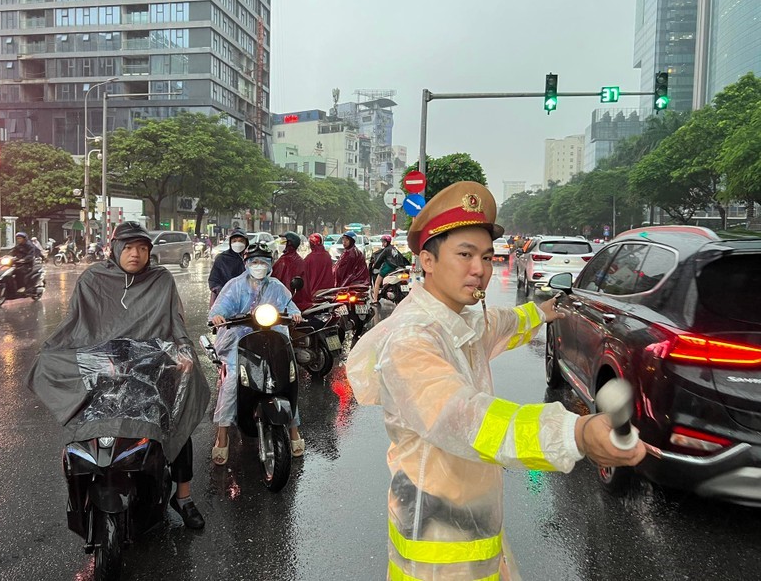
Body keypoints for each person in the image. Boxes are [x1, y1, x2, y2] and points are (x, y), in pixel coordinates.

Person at [346, 182, 646, 580]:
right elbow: (466, 419)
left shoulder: (459, 320)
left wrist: (541, 313)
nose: (481, 269)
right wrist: (575, 433)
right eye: (465, 255)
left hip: (475, 535)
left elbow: (500, 324)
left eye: (487, 256)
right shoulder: (412, 340)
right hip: (436, 554)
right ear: (427, 261)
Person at [27, 221, 210, 529]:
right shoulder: (93, 280)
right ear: (114, 250)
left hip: (151, 369)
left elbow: (176, 324)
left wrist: (183, 352)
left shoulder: (161, 280)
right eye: (128, 247)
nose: (135, 254)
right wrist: (56, 351)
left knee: (178, 421)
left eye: (142, 248)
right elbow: (75, 325)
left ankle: (183, 497)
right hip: (105, 371)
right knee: (84, 425)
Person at [209, 242, 305, 465]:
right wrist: (218, 317)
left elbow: (291, 307)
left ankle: (293, 430)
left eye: (263, 262)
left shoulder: (277, 286)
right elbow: (219, 308)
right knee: (232, 379)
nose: (259, 266)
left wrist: (295, 314)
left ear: (270, 265)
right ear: (247, 264)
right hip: (239, 339)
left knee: (288, 376)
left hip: (272, 339)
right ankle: (222, 436)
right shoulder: (234, 286)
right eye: (254, 262)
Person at [271, 231, 312, 311]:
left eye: (283, 242)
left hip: (288, 302)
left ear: (289, 243)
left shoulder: (285, 261)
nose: (280, 244)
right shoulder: (294, 260)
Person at [208, 229, 248, 306]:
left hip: (247, 299)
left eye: (241, 241)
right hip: (225, 299)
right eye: (234, 241)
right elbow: (214, 280)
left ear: (246, 243)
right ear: (230, 243)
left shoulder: (250, 258)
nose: (237, 243)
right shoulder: (222, 259)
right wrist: (223, 292)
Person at [370, 234, 409, 303]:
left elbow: (379, 259)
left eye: (383, 242)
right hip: (398, 268)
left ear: (386, 242)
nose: (382, 243)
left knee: (377, 283)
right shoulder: (394, 249)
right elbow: (402, 257)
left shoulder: (386, 250)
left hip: (388, 267)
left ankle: (375, 299)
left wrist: (375, 266)